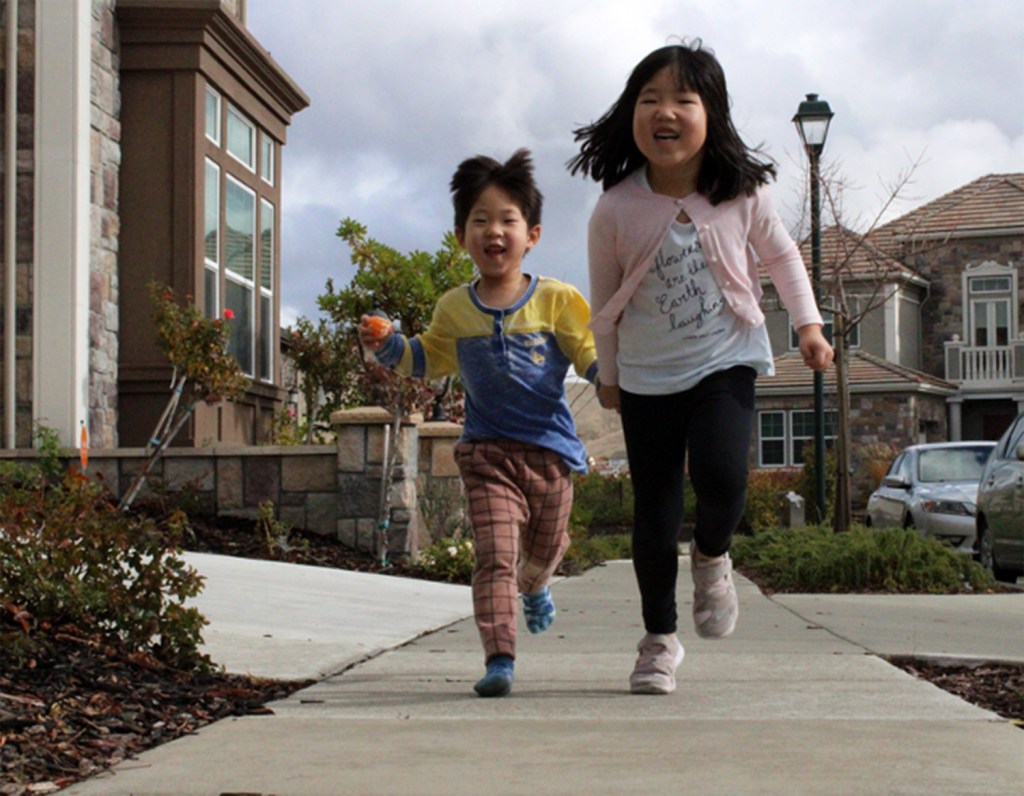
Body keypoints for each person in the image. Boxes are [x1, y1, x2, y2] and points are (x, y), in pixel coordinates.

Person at [567, 40, 834, 695]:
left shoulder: (742, 193)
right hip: (648, 375)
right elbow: (603, 298)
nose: (665, 110)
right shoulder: (616, 208)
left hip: (725, 360)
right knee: (654, 517)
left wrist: (808, 325)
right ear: (632, 114)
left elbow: (782, 260)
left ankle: (713, 554)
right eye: (649, 98)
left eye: (683, 99)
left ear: (710, 113)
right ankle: (659, 641)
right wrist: (608, 371)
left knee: (721, 478)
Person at [359, 149, 599, 698]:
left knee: (542, 553)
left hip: (551, 455)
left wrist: (607, 376)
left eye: (508, 220)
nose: (495, 231)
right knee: (494, 556)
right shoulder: (454, 308)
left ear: (532, 233)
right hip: (487, 453)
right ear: (461, 234)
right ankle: (500, 658)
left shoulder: (559, 300)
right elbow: (428, 358)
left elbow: (587, 352)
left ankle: (536, 588)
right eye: (480, 220)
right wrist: (386, 345)